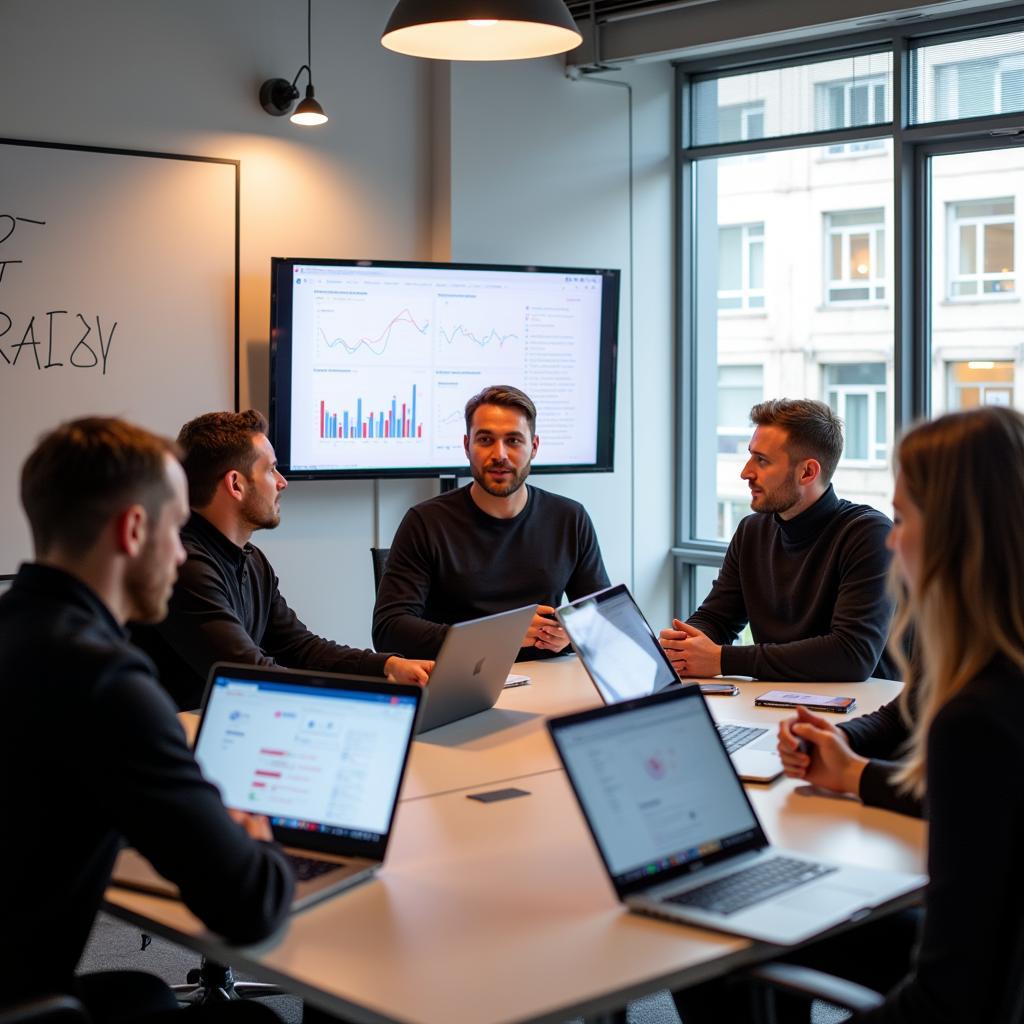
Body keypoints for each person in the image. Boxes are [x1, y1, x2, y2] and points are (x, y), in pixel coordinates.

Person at [680, 405, 1024, 1022]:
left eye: (906, 517)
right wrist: (848, 765)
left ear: (957, 532)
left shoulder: (981, 713)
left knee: (721, 935)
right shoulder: (980, 660)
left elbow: (949, 999)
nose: (894, 538)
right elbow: (944, 770)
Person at [0, 417, 293, 1019]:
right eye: (175, 527)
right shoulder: (107, 684)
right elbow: (250, 906)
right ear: (135, 530)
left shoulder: (17, 630)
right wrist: (254, 830)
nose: (184, 551)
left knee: (146, 993)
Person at [133, 410, 432, 710]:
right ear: (235, 484)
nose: (282, 482)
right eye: (271, 470)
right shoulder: (183, 564)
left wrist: (388, 666)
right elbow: (250, 673)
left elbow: (300, 647)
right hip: (180, 739)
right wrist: (351, 702)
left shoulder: (252, 561)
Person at [659, 398, 898, 681]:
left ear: (807, 472)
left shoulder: (869, 535)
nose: (745, 472)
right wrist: (683, 647)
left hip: (858, 713)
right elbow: (716, 619)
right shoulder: (752, 531)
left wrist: (722, 660)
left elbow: (851, 654)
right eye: (750, 456)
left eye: (762, 460)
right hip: (770, 702)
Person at [372, 385, 610, 661]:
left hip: (550, 683)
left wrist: (572, 635)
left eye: (513, 440)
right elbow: (389, 630)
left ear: (533, 447)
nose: (500, 454)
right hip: (461, 683)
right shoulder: (426, 522)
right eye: (485, 440)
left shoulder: (570, 518)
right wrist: (500, 634)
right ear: (467, 446)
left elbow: (602, 619)